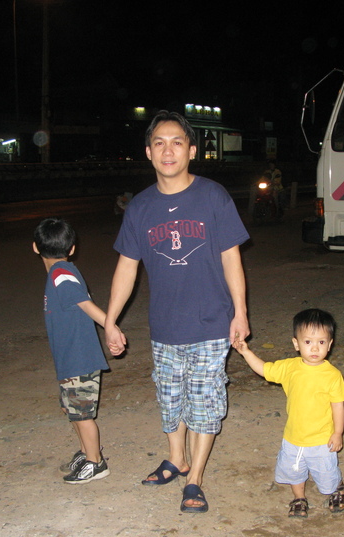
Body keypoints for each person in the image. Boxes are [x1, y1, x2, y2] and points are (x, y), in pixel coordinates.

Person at [104, 110, 250, 513]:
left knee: (204, 402)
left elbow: (232, 259)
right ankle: (177, 458)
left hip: (211, 321)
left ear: (192, 151)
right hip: (165, 324)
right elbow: (126, 268)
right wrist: (111, 320)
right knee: (169, 399)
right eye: (160, 143)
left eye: (177, 142)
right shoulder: (140, 208)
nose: (168, 151)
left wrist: (240, 312)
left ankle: (195, 477)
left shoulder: (213, 196)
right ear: (149, 152)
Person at [232, 308, 344, 518]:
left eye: (321, 342)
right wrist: (246, 352)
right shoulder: (289, 367)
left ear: (330, 344)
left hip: (322, 439)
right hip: (293, 436)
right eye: (308, 342)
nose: (315, 347)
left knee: (326, 471)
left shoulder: (332, 375)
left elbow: (338, 406)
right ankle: (299, 498)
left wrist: (337, 433)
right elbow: (264, 369)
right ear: (296, 343)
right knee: (294, 470)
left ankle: (336, 488)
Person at [33, 217, 111, 483]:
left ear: (35, 247)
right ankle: (86, 452)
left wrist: (111, 328)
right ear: (72, 248)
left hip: (79, 357)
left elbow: (85, 304)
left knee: (82, 414)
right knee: (72, 410)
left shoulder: (60, 273)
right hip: (69, 357)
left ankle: (96, 463)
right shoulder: (60, 273)